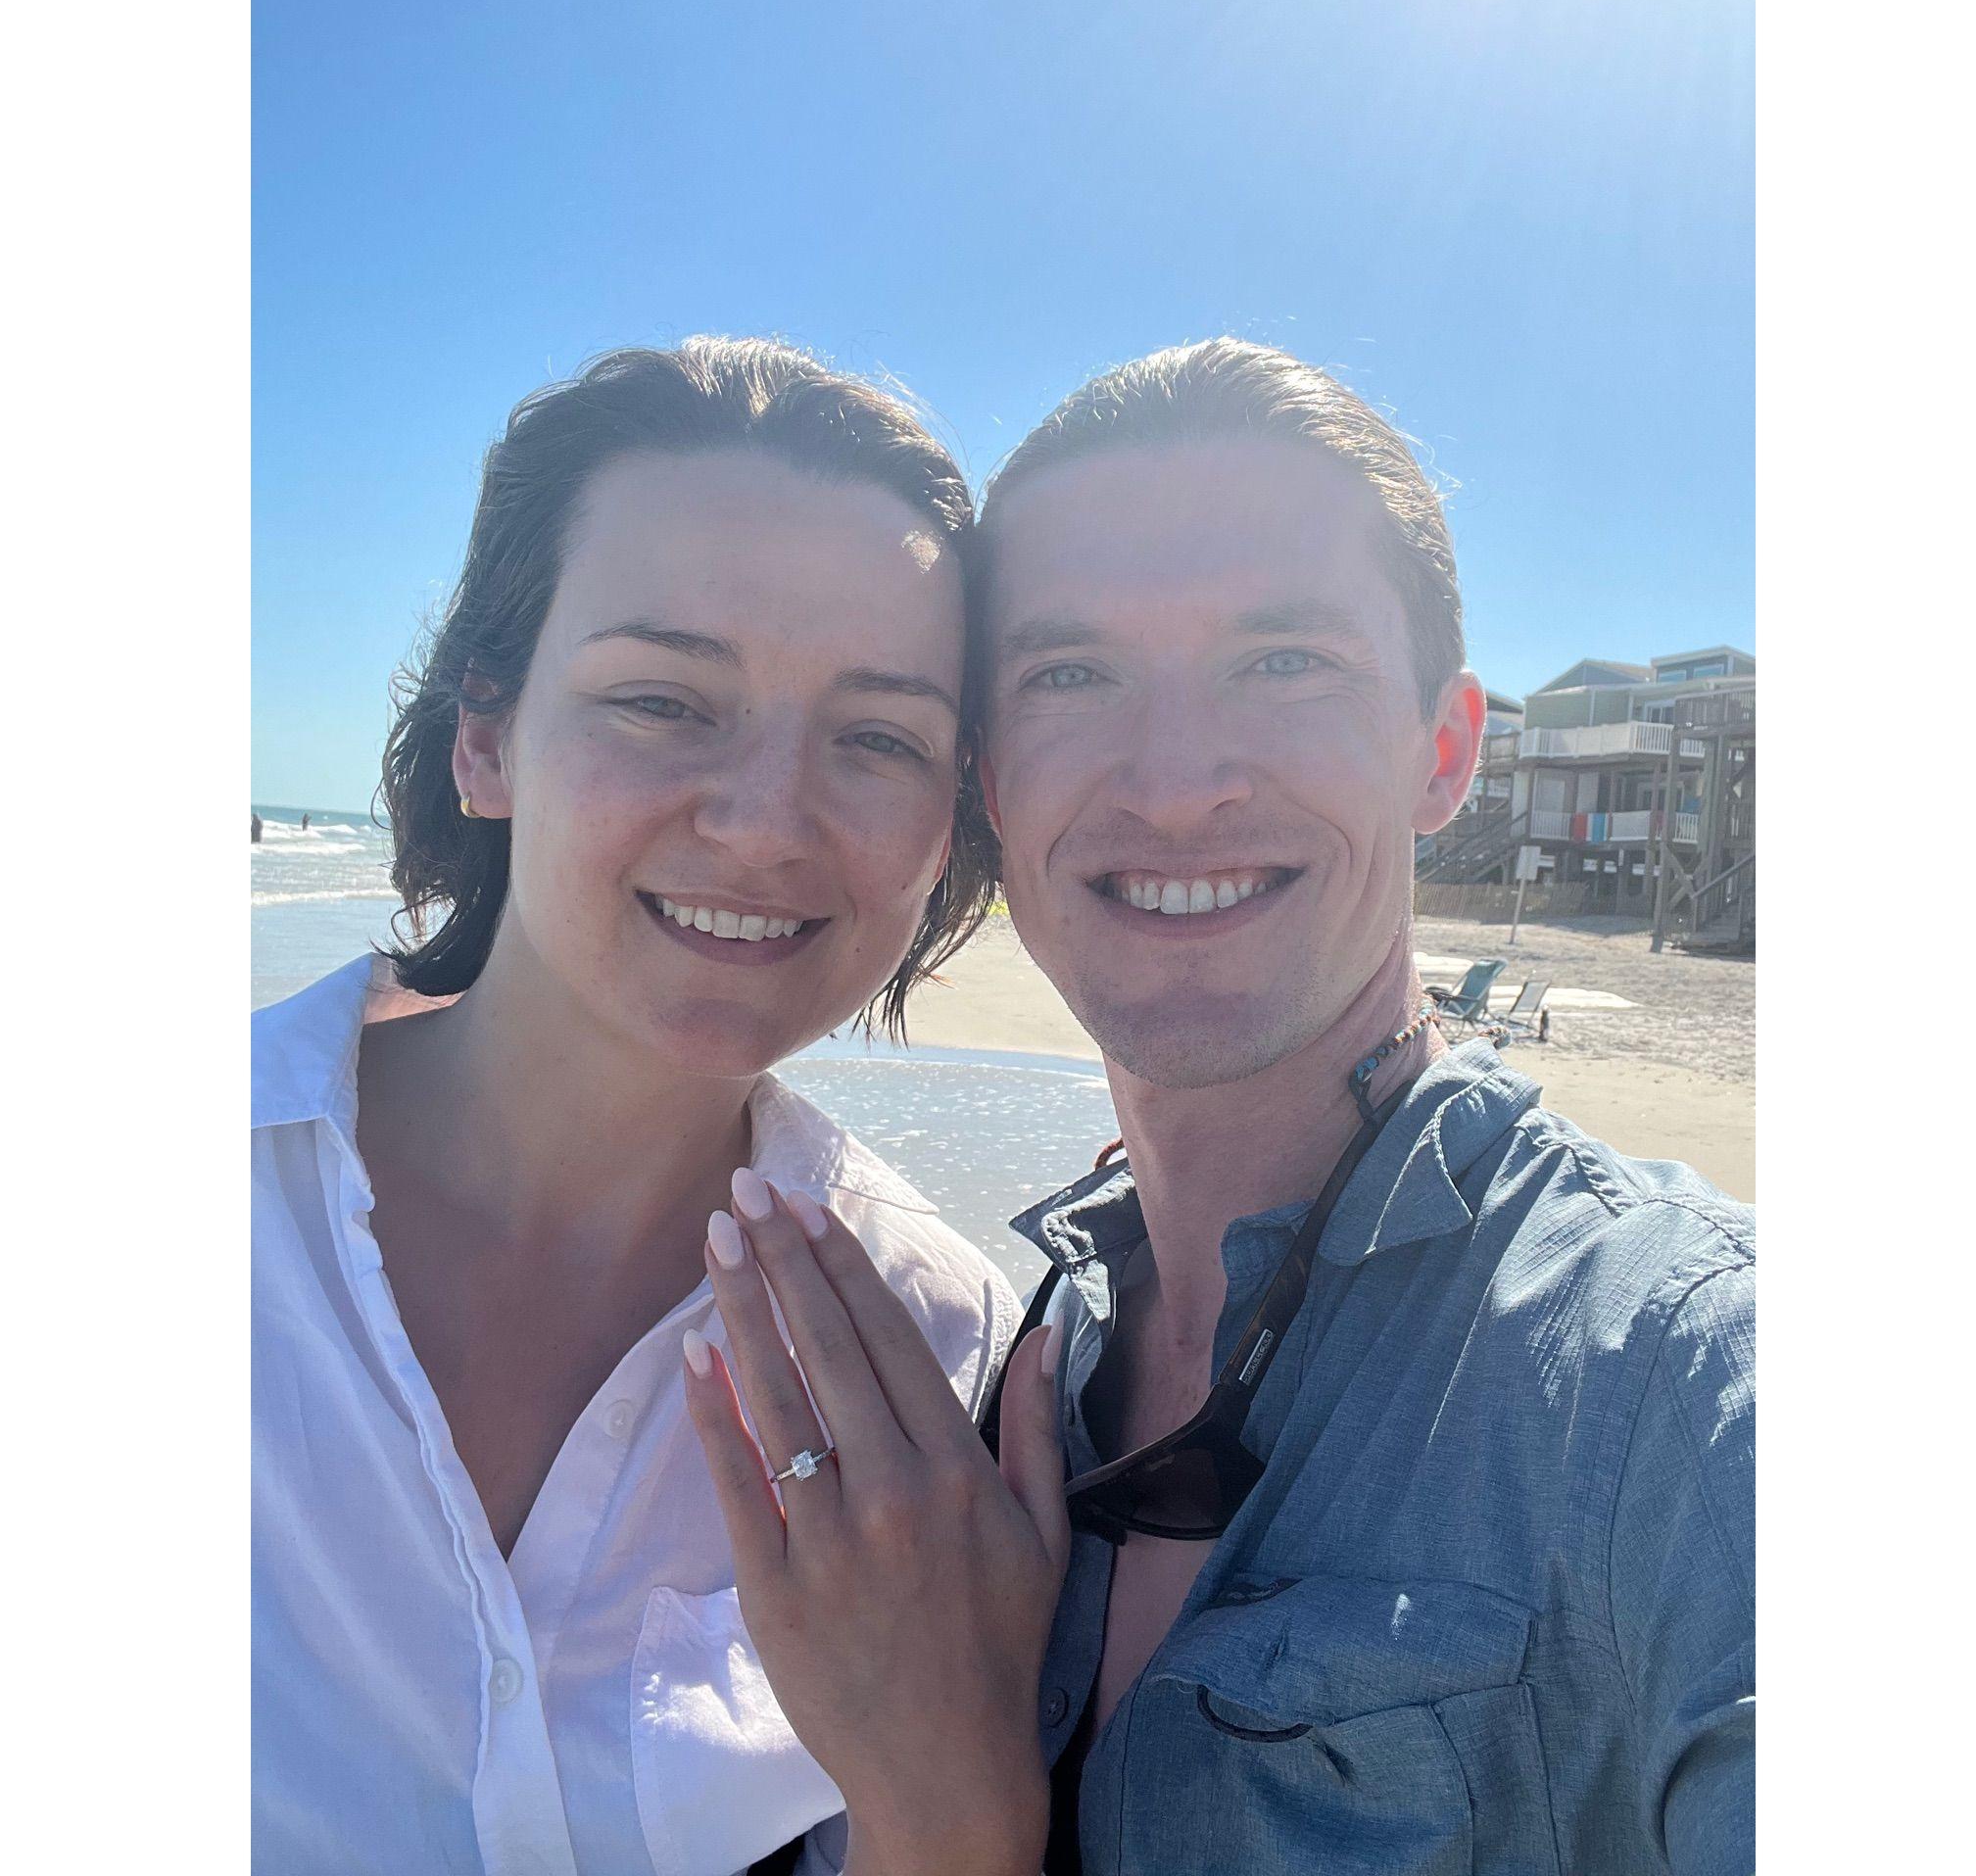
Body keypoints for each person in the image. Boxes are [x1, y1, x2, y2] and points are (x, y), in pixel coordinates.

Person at [689, 341, 1754, 1873]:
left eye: (1284, 661)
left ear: (1443, 751)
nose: (1177, 784)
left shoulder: (1676, 1377)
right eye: (1072, 674)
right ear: (991, 780)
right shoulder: (1002, 1367)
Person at [252, 338, 1020, 1876]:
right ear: (485, 736)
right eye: (665, 700)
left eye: (878, 737)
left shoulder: (937, 1354)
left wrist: (957, 1813)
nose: (767, 822)